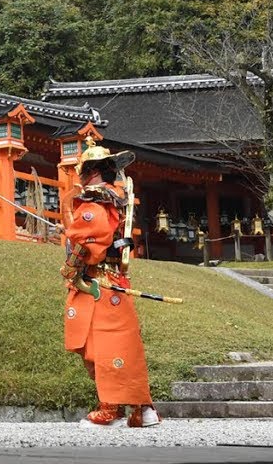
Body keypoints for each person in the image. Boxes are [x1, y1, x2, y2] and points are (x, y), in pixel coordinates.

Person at [62, 137, 160, 428]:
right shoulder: (116, 197)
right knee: (122, 343)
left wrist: (71, 267)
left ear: (90, 170)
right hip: (114, 280)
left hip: (98, 283)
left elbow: (89, 240)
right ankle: (142, 409)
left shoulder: (94, 199)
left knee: (104, 345)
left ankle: (110, 409)